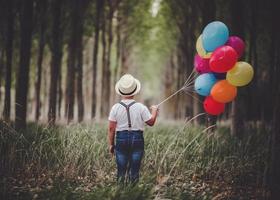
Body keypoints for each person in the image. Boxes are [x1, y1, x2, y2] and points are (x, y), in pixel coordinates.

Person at [108, 74, 159, 184]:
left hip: (120, 139)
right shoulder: (141, 107)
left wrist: (111, 144)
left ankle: (120, 192)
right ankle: (134, 192)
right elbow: (151, 122)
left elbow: (111, 128)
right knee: (135, 171)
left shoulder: (115, 108)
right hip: (137, 139)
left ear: (121, 91)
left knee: (121, 171)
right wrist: (154, 111)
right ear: (135, 91)